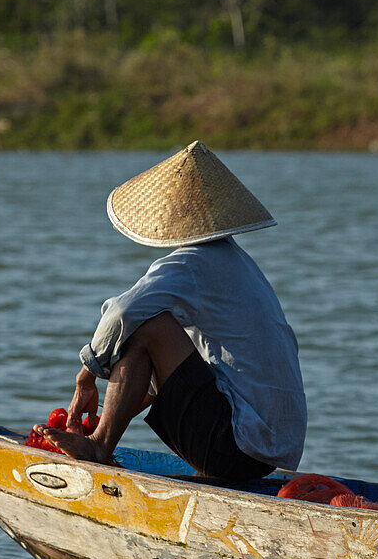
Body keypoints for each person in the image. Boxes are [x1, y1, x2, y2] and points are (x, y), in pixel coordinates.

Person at [39, 140, 306, 480]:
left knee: (147, 327)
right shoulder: (238, 263)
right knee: (151, 327)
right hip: (269, 452)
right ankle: (185, 460)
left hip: (239, 449)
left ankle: (99, 446)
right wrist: (131, 394)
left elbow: (121, 313)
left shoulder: (195, 262)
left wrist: (85, 378)